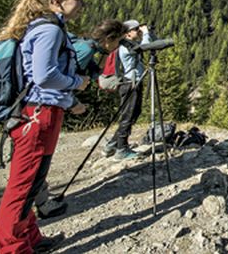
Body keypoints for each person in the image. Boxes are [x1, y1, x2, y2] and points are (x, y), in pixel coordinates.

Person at [0, 0, 90, 254]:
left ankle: (30, 238)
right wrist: (76, 82)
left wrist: (69, 100)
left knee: (34, 180)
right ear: (58, 0)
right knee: (22, 186)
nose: (82, 5)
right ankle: (13, 248)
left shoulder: (47, 27)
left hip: (43, 112)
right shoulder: (50, 30)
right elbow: (44, 75)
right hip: (38, 115)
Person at [33, 19, 127, 220]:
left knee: (39, 160)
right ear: (109, 40)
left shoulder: (87, 47)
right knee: (39, 160)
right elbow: (61, 79)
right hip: (47, 107)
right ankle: (40, 204)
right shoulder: (85, 51)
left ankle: (40, 201)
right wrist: (73, 102)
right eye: (118, 41)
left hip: (44, 106)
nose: (118, 47)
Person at [104, 20, 153, 160]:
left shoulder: (127, 44)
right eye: (136, 29)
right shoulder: (126, 46)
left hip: (131, 83)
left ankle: (113, 143)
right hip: (130, 84)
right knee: (128, 115)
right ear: (128, 33)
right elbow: (145, 47)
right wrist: (147, 33)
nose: (138, 31)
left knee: (133, 113)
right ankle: (121, 149)